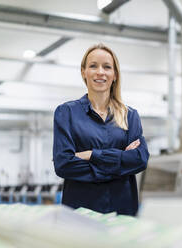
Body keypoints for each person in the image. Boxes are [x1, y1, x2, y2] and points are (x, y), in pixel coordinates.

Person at [53, 43, 149, 216]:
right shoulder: (66, 113)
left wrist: (91, 155)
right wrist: (120, 164)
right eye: (93, 66)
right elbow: (63, 164)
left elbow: (140, 159)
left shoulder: (130, 116)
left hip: (122, 212)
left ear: (115, 75)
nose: (100, 72)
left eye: (107, 67)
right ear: (83, 72)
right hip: (80, 214)